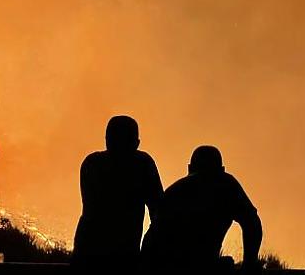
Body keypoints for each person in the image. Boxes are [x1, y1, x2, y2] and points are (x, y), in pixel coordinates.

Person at [141, 145, 262, 274]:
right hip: (181, 265)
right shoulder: (226, 185)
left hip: (160, 264)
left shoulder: (175, 191)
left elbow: (152, 238)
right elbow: (252, 223)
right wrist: (249, 264)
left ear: (189, 168)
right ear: (222, 169)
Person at [72, 115, 164, 273]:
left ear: (107, 140)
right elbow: (159, 212)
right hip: (125, 255)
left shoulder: (91, 163)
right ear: (136, 143)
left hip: (87, 252)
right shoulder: (142, 164)